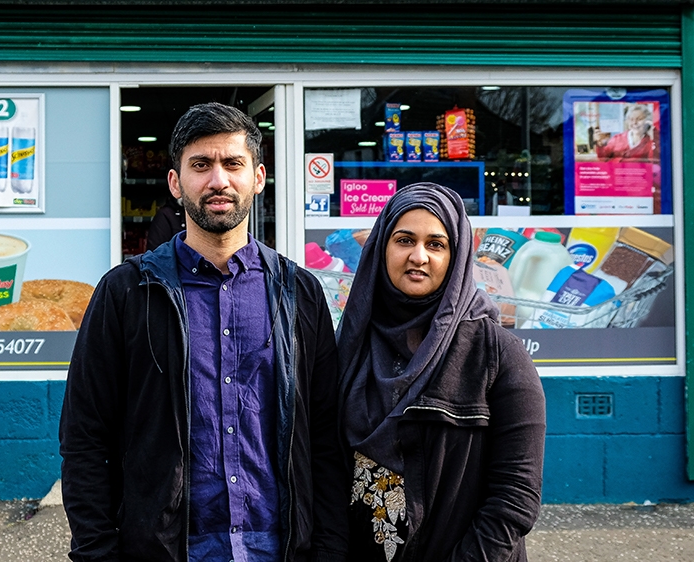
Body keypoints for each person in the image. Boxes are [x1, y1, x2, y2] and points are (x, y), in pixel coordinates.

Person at [60, 102, 349, 562]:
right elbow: (85, 440)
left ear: (258, 177)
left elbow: (327, 442)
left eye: (233, 164)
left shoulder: (299, 293)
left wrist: (331, 550)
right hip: (167, 551)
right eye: (201, 165)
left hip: (278, 548)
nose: (219, 180)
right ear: (176, 182)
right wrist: (98, 553)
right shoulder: (127, 292)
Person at [335, 183, 546, 562]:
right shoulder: (349, 345)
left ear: (457, 256)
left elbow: (515, 498)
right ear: (381, 248)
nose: (419, 256)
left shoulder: (497, 354)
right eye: (404, 240)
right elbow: (324, 470)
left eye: (436, 244)